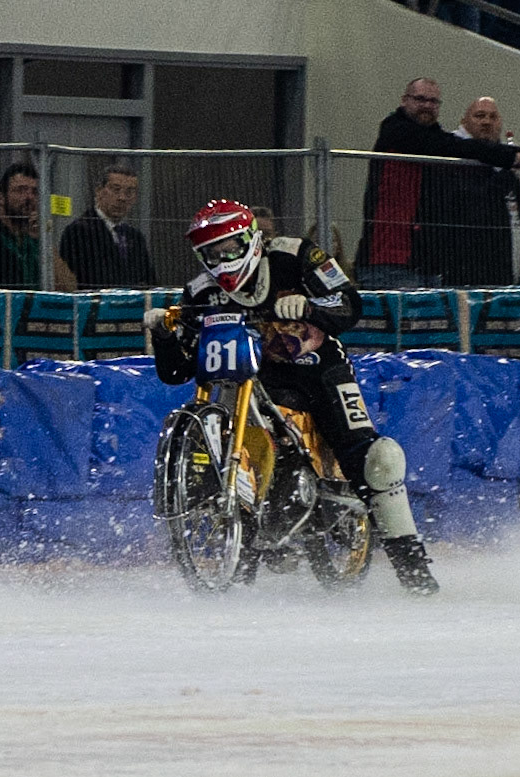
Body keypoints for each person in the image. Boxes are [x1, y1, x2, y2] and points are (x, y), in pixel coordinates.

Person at [143, 199, 440, 595]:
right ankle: (244, 547)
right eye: (211, 253)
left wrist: (311, 306)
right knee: (230, 435)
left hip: (320, 370)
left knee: (375, 458)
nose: (222, 259)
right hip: (253, 381)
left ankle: (412, 565)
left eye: (229, 247)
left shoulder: (296, 254)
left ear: (251, 239)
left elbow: (349, 303)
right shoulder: (200, 293)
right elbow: (178, 371)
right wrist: (163, 335)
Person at [354, 78, 520, 289]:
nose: (427, 105)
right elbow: (455, 147)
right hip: (389, 260)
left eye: (433, 101)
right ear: (405, 100)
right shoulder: (395, 129)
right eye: (420, 99)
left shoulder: (435, 136)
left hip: (428, 264)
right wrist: (511, 157)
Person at [439, 96, 520, 285]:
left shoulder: (506, 160)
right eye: (480, 116)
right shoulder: (452, 158)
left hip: (505, 262)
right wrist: (505, 174)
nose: (486, 122)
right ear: (464, 122)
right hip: (466, 262)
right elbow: (469, 204)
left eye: (493, 117)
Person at [58, 164, 154, 288]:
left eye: (129, 192)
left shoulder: (135, 237)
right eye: (115, 189)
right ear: (99, 191)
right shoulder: (78, 231)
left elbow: (149, 280)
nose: (122, 198)